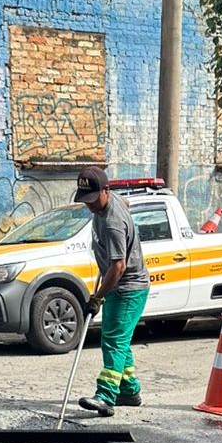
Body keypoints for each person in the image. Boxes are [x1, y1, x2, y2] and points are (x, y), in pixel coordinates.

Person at [73, 166, 151, 416]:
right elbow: (125, 203)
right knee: (119, 340)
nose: (90, 206)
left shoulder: (113, 223)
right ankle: (129, 391)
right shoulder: (112, 202)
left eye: (94, 200)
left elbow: (119, 266)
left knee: (114, 341)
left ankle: (106, 396)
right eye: (86, 200)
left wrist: (97, 297)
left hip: (128, 287)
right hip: (123, 285)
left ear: (106, 191)